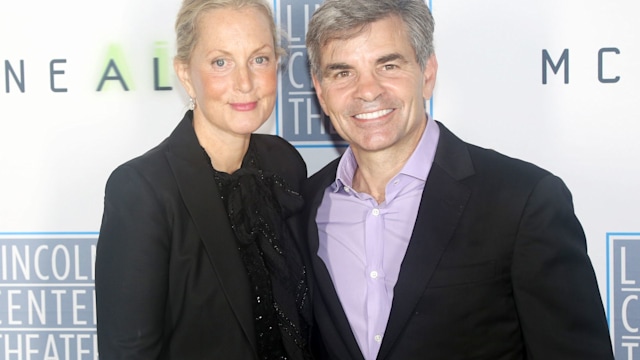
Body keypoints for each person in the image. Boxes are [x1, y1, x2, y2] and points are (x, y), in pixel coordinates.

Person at [302, 0, 614, 359]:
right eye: (343, 73)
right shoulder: (303, 206)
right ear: (321, 92)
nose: (367, 90)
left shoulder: (523, 202)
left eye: (388, 65)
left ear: (428, 73)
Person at [95, 0, 312, 358]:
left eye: (259, 59)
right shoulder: (143, 191)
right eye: (221, 62)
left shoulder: (285, 164)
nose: (245, 83)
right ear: (185, 74)